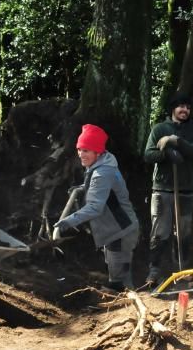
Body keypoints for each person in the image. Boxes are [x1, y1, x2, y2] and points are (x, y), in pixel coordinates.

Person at [54, 124, 140, 292]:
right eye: (80, 149)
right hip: (116, 229)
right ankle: (126, 300)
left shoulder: (103, 172)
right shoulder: (102, 165)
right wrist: (83, 187)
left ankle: (126, 306)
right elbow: (101, 187)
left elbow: (94, 207)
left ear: (97, 151)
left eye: (86, 150)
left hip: (120, 231)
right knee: (118, 271)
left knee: (119, 281)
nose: (81, 154)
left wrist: (67, 222)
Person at [142, 92, 193, 286]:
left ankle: (182, 269)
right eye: (181, 106)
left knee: (183, 232)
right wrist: (168, 153)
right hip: (162, 190)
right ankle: (154, 271)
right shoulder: (159, 128)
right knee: (160, 233)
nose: (184, 110)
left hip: (184, 190)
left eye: (187, 107)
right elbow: (148, 155)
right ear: (173, 109)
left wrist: (176, 141)